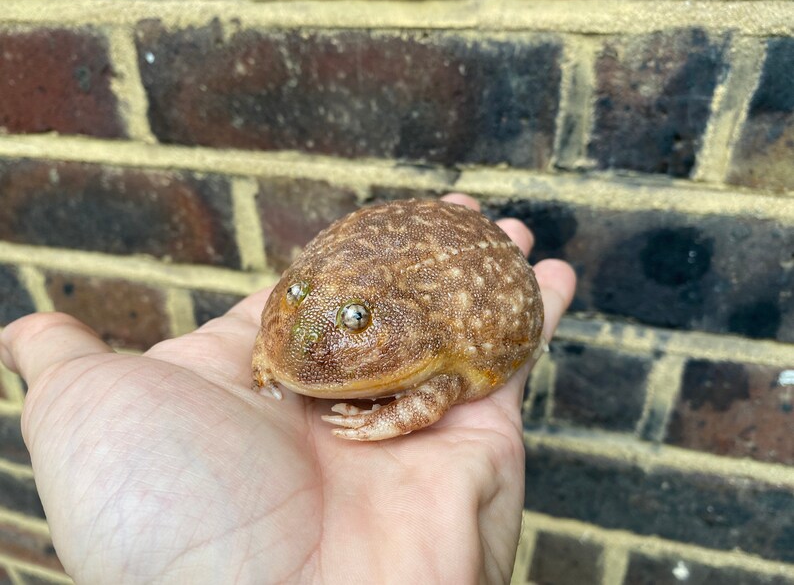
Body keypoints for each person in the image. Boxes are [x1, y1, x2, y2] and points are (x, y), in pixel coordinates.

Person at [0, 194, 576, 584]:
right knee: (318, 311)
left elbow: (438, 389)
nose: (307, 338)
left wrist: (386, 417)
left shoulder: (434, 350)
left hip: (464, 305)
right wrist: (269, 351)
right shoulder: (300, 299)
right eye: (294, 299)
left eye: (354, 321)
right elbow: (295, 313)